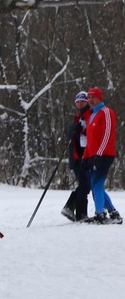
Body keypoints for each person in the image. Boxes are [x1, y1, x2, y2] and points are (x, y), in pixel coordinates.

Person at [82, 87, 120, 224]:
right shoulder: (92, 115)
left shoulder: (106, 112)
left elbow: (107, 134)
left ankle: (100, 214)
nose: (90, 100)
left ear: (99, 98)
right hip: (94, 155)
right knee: (95, 185)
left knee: (96, 185)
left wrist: (99, 154)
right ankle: (113, 213)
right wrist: (85, 156)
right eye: (89, 97)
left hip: (104, 155)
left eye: (93, 97)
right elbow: (91, 140)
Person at [63, 91, 92, 222]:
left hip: (86, 157)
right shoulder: (77, 118)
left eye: (83, 102)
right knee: (85, 185)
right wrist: (74, 130)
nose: (80, 104)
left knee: (85, 185)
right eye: (78, 102)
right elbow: (70, 136)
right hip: (77, 158)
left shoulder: (90, 116)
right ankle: (80, 214)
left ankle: (72, 208)